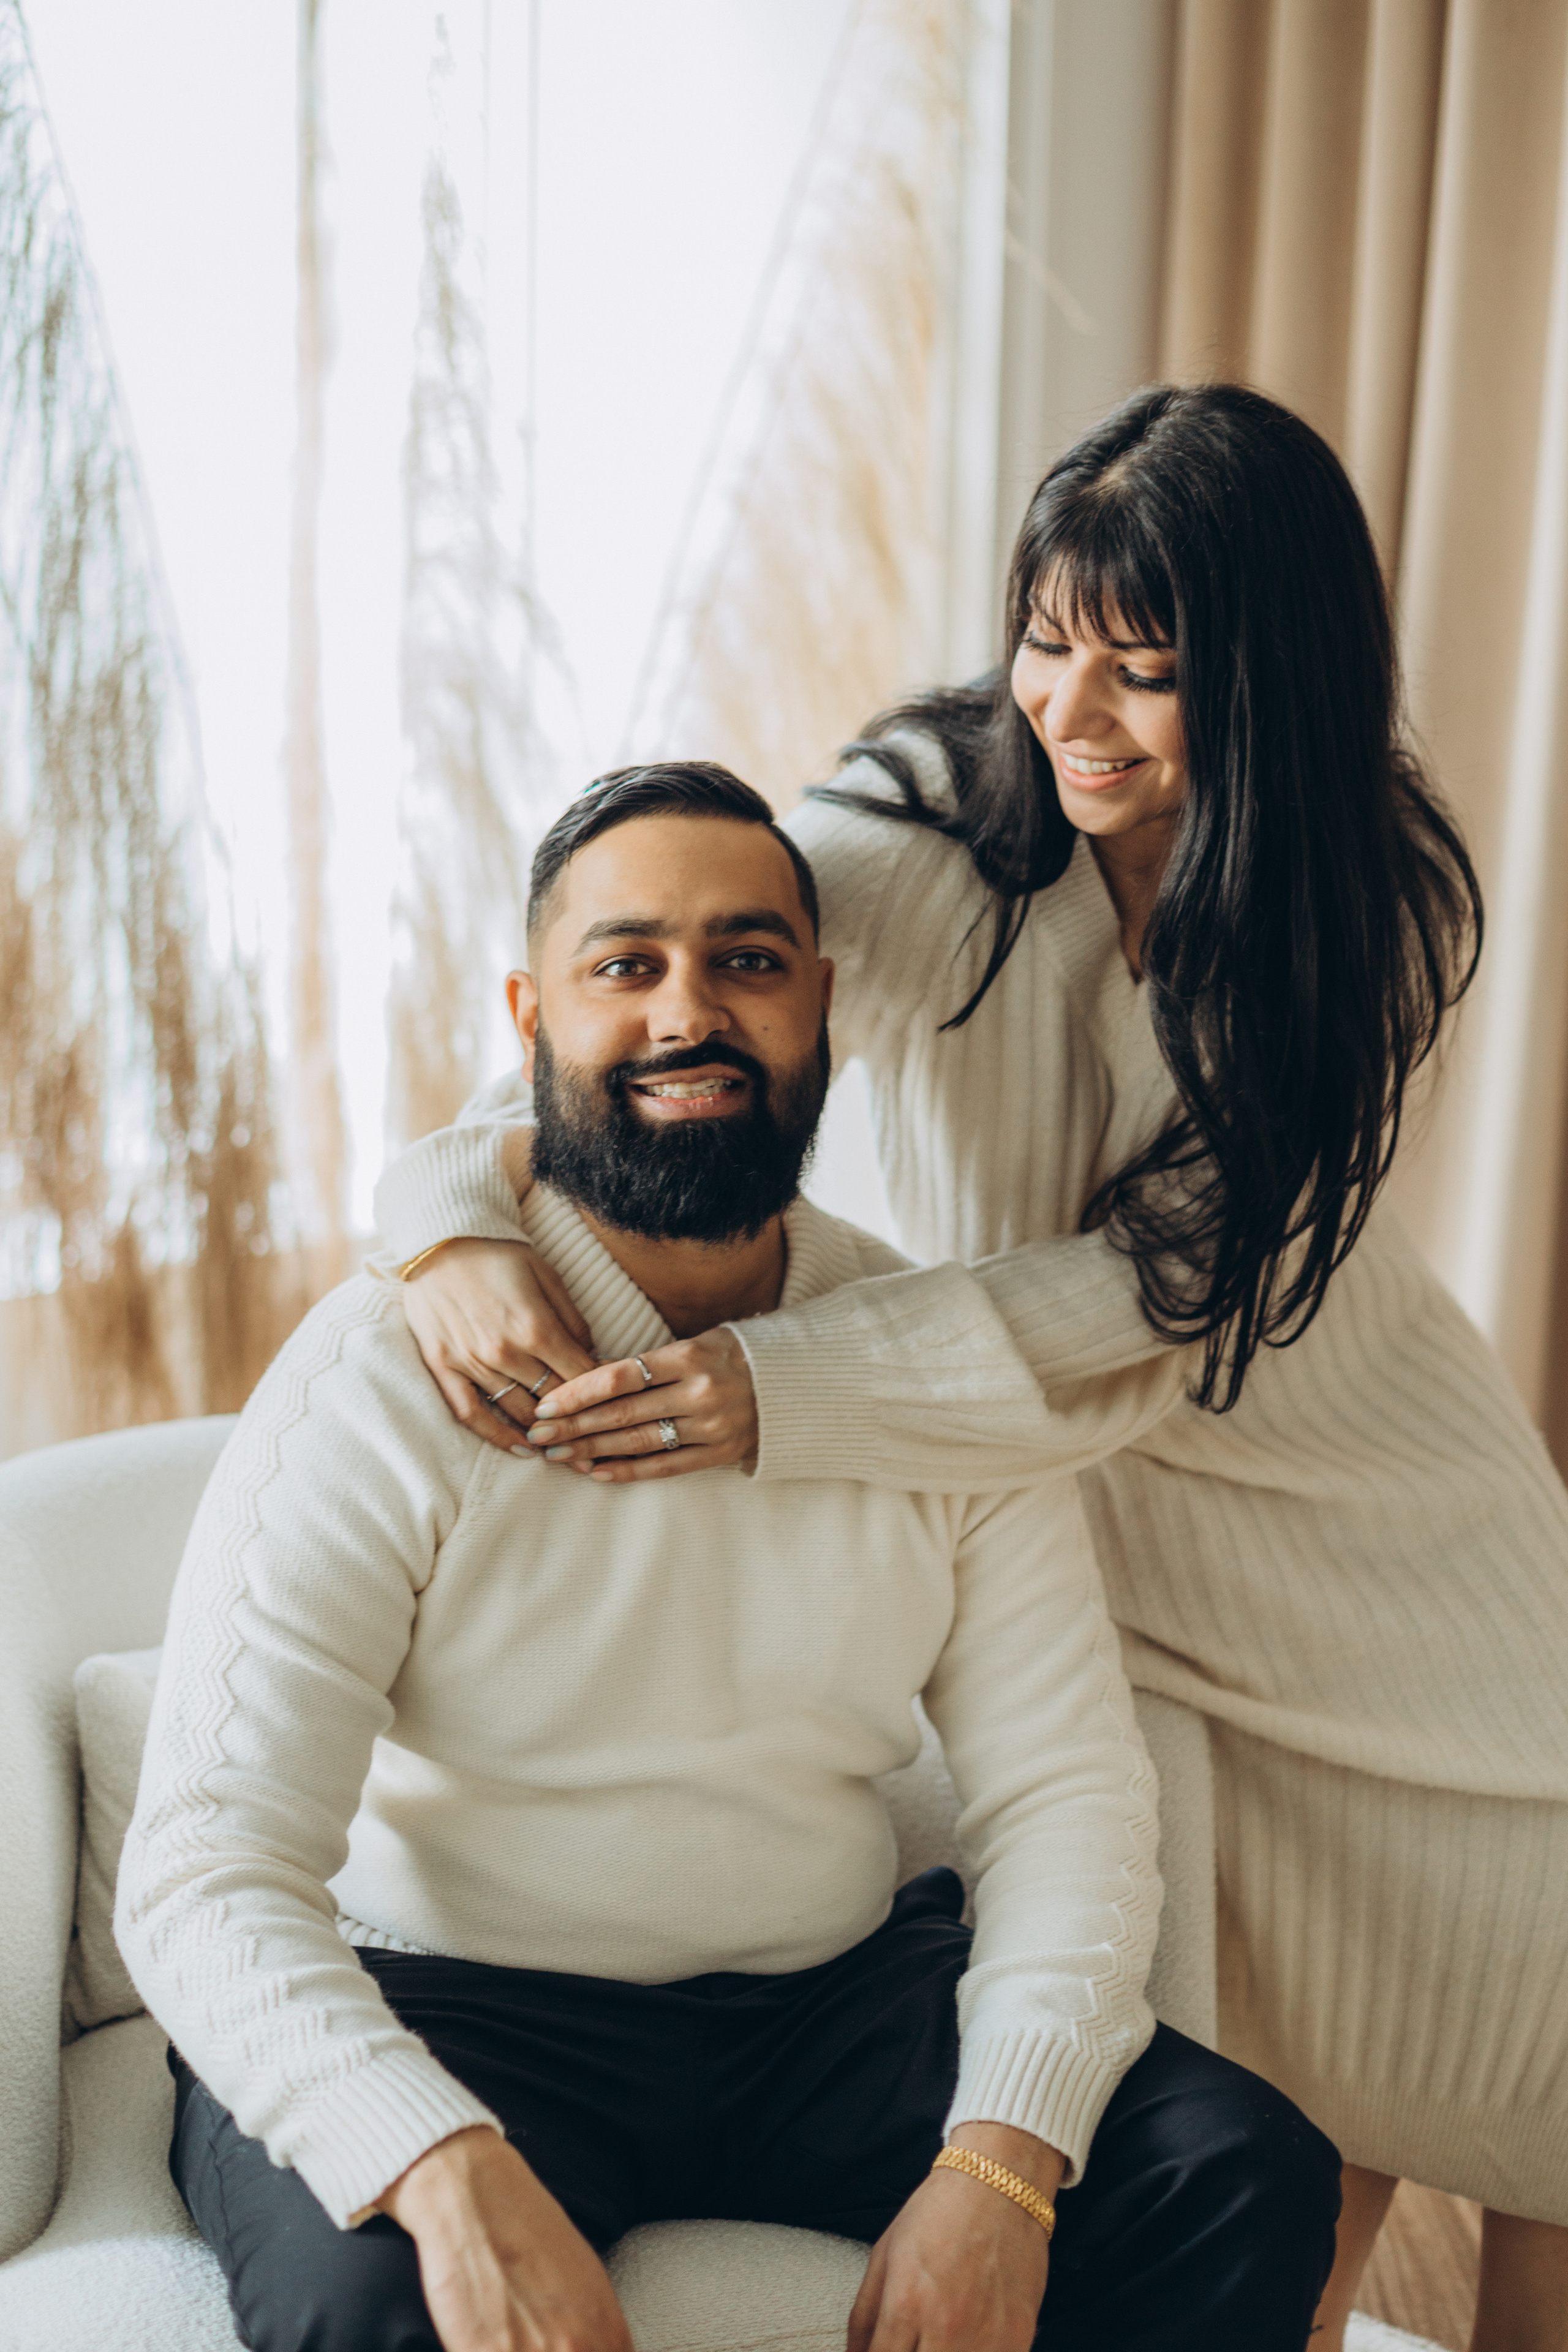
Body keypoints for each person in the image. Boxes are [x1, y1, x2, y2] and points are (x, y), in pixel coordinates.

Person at [373, 387, 1568, 2352]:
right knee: (1279, 2116)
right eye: (1045, 638)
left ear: (1268, 677)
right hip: (1107, 1546)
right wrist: (443, 1217)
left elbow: (1160, 1296)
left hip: (1391, 1543)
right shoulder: (943, 837)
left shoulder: (1368, 901)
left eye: (1146, 668)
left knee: (1533, 2089)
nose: (1069, 712)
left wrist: (796, 1384)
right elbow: (648, 981)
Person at [117, 763, 1338, 2352]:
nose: (690, 1011)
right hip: (456, 1999)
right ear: (531, 1017)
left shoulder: (930, 1367)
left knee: (1243, 2175)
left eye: (748, 961)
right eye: (627, 966)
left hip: (829, 2009)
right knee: (382, 2306)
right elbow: (206, 1863)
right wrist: (429, 2157)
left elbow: (1069, 1793)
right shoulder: (379, 1374)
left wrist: (1004, 2159)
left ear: (821, 1003)